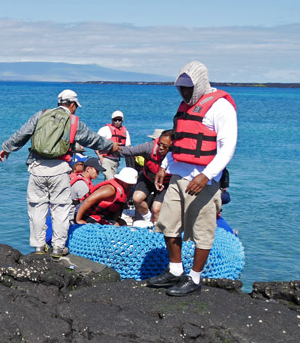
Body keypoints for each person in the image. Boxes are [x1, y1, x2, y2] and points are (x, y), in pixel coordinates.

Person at [146, 61, 237, 296]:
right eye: (181, 88)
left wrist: (207, 175)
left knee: (202, 230)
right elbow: (178, 140)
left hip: (203, 180)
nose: (185, 93)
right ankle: (175, 271)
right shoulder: (184, 106)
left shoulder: (220, 107)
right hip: (178, 176)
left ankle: (194, 279)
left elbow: (228, 146)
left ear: (200, 84)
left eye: (189, 88)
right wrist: (164, 166)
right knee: (168, 224)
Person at [0, 89, 118, 257]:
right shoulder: (74, 121)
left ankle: (39, 246)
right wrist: (110, 146)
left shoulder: (41, 115)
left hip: (37, 167)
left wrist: (6, 148)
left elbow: (23, 133)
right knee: (60, 208)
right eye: (75, 106)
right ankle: (58, 247)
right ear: (72, 105)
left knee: (36, 208)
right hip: (60, 169)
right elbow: (92, 139)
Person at [113, 128, 174, 224]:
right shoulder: (150, 147)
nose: (160, 148)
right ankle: (147, 218)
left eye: (165, 146)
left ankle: (154, 230)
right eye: (160, 144)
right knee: (137, 198)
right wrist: (110, 149)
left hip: (165, 183)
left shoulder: (177, 154)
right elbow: (130, 151)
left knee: (156, 208)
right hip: (147, 178)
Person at [96, 110, 132, 179]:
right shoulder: (105, 130)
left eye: (119, 120)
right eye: (115, 120)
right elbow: (96, 142)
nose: (117, 122)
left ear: (122, 120)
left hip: (116, 161)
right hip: (106, 159)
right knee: (109, 179)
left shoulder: (125, 132)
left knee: (112, 180)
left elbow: (128, 147)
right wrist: (100, 156)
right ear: (112, 120)